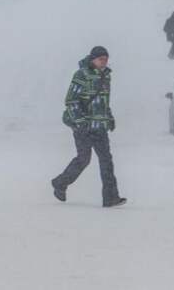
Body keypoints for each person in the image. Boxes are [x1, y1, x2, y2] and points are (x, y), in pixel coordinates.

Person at [52, 46, 126, 208]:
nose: (104, 62)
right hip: (83, 126)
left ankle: (110, 197)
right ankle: (60, 183)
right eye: (101, 59)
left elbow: (104, 101)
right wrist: (80, 122)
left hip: (100, 126)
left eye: (106, 59)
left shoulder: (106, 76)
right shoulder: (81, 75)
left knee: (107, 160)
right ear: (93, 59)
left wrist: (109, 117)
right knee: (84, 159)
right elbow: (71, 101)